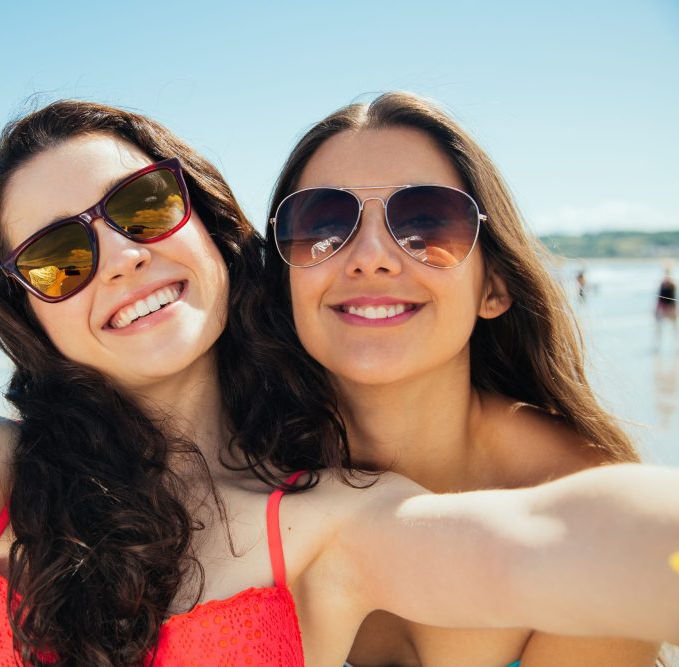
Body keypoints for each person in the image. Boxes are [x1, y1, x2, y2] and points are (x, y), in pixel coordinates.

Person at [0, 102, 679, 667]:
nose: (115, 255)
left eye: (144, 206)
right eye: (60, 258)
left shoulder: (333, 522)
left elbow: (553, 544)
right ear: (32, 316)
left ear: (208, 223)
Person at [265, 91, 666, 666]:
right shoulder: (236, 475)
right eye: (323, 225)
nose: (370, 256)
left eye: (426, 223)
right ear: (284, 282)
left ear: (494, 287)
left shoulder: (576, 497)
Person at [655, 264, 676, 348]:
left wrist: (673, 309)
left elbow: (673, 298)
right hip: (663, 307)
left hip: (670, 308)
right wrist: (657, 309)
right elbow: (659, 298)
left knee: (674, 327)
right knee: (659, 327)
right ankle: (657, 345)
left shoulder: (672, 284)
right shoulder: (662, 283)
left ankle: (675, 345)